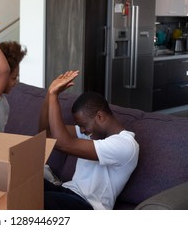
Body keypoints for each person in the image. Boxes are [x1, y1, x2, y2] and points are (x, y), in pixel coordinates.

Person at [39, 70, 139, 210]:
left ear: (100, 117)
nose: (82, 130)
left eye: (83, 125)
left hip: (89, 205)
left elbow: (62, 143)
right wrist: (49, 94)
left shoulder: (126, 145)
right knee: (23, 185)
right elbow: (45, 134)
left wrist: (55, 96)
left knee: (37, 200)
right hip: (68, 191)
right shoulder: (92, 134)